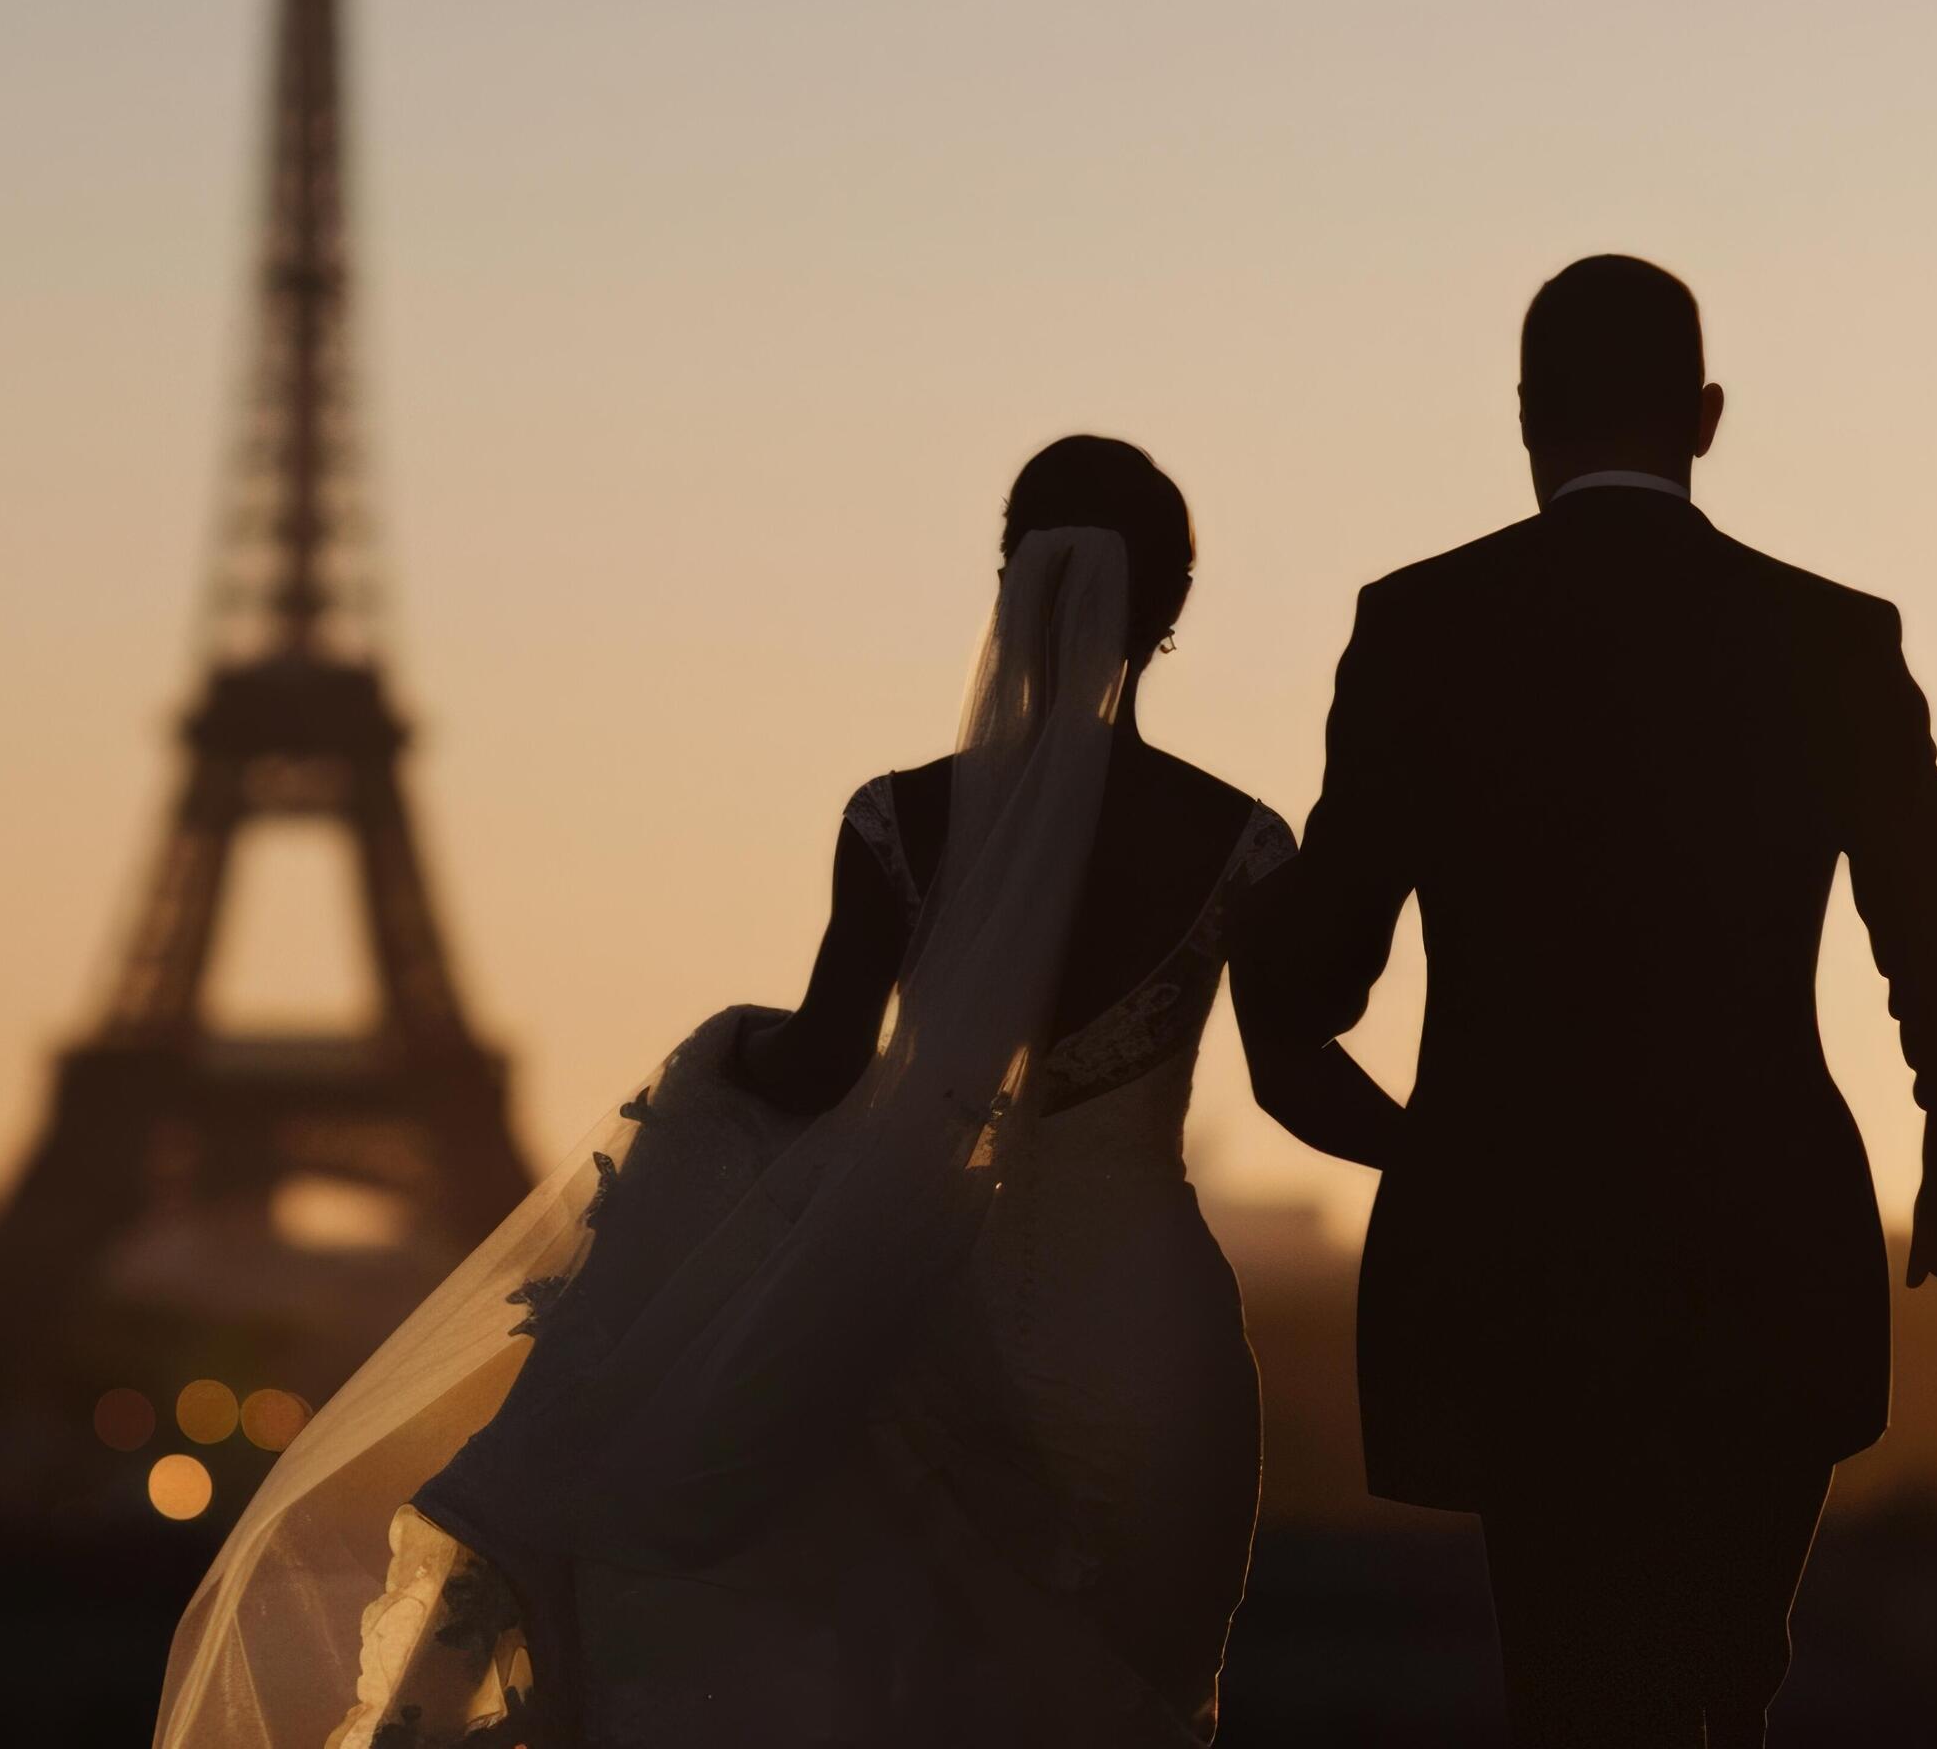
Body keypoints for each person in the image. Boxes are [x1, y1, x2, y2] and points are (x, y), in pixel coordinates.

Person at [155, 435, 1320, 1749]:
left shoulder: (900, 819)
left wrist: (723, 1053)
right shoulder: (1242, 840)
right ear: (1168, 607)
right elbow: (1297, 1086)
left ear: (1007, 587)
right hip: (1146, 1333)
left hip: (921, 1310)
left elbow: (821, 1067)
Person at [1233, 254, 1937, 1747]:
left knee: (1571, 1688)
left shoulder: (1420, 629)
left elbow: (1308, 979)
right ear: (1707, 418)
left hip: (1514, 1259)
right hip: (1766, 1248)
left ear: (1523, 417)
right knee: (1724, 1681)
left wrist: (1393, 1127)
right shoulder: (1830, 640)